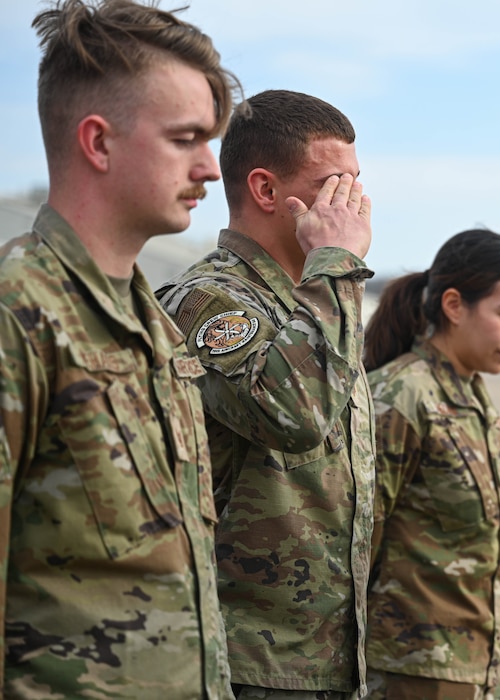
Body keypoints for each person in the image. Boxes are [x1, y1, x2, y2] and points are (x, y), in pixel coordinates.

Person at [0, 1, 239, 697]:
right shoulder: (21, 315)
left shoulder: (153, 326)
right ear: (98, 143)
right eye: (187, 138)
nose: (211, 168)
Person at [155, 89, 375, 699]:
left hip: (334, 659)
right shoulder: (204, 301)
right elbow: (297, 414)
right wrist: (335, 262)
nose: (354, 204)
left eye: (356, 184)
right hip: (253, 662)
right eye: (335, 184)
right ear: (267, 190)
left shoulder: (316, 304)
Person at [362, 229, 500, 700]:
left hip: (473, 670)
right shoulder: (401, 396)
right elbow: (355, 545)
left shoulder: (470, 394)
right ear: (454, 305)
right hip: (408, 674)